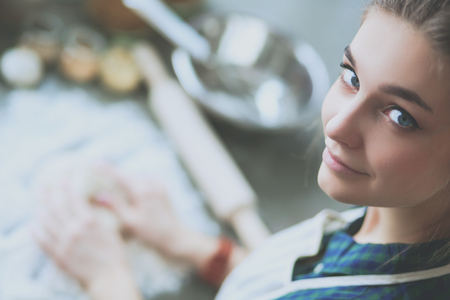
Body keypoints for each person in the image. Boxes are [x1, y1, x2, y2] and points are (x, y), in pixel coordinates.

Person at [32, 0, 450, 299]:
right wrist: (189, 245)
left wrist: (108, 280)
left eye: (400, 117)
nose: (338, 126)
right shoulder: (399, 213)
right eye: (352, 77)